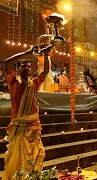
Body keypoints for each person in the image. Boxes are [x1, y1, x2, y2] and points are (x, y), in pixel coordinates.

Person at [2, 45, 52, 179]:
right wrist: (26, 53)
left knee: (36, 154)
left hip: (33, 126)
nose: (27, 68)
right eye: (23, 66)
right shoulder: (13, 82)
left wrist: (46, 55)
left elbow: (46, 70)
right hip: (19, 128)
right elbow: (7, 62)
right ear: (17, 69)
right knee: (18, 157)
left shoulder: (34, 83)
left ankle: (32, 177)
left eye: (29, 66)